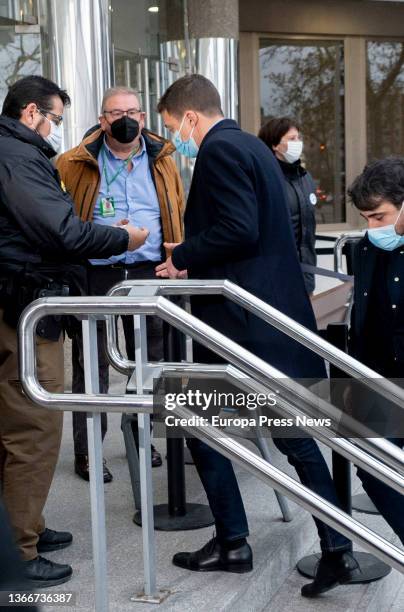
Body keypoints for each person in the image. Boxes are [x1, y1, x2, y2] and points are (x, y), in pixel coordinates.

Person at [156, 74, 357, 598]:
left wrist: (183, 255)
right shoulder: (249, 145)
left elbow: (239, 229)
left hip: (240, 323)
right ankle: (337, 545)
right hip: (269, 315)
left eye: (173, 127)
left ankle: (235, 541)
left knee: (198, 420)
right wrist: (198, 245)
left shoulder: (219, 150)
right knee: (294, 437)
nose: (176, 137)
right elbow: (253, 228)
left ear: (191, 118)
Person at [0, 75, 148, 588]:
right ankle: (17, 552)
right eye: (54, 119)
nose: (56, 129)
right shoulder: (18, 157)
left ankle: (26, 527)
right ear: (30, 114)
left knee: (20, 426)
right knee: (34, 428)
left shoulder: (17, 154)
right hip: (23, 308)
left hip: (22, 301)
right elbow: (60, 230)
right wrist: (122, 236)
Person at [56, 86, 184, 481]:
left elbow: (176, 209)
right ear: (102, 120)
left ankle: (140, 438)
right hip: (97, 272)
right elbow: (64, 219)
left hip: (148, 272)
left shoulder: (163, 161)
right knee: (90, 365)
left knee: (149, 364)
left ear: (143, 117)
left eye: (132, 111)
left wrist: (175, 258)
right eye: (115, 113)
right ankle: (89, 451)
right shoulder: (74, 163)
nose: (125, 119)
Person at [347, 156, 404, 544]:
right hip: (378, 379)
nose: (373, 228)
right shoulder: (364, 250)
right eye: (366, 218)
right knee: (372, 468)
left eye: (380, 217)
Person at [258, 117, 317, 294]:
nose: (298, 143)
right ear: (274, 145)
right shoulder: (265, 178)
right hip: (275, 276)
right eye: (291, 139)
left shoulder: (304, 177)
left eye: (298, 138)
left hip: (306, 274)